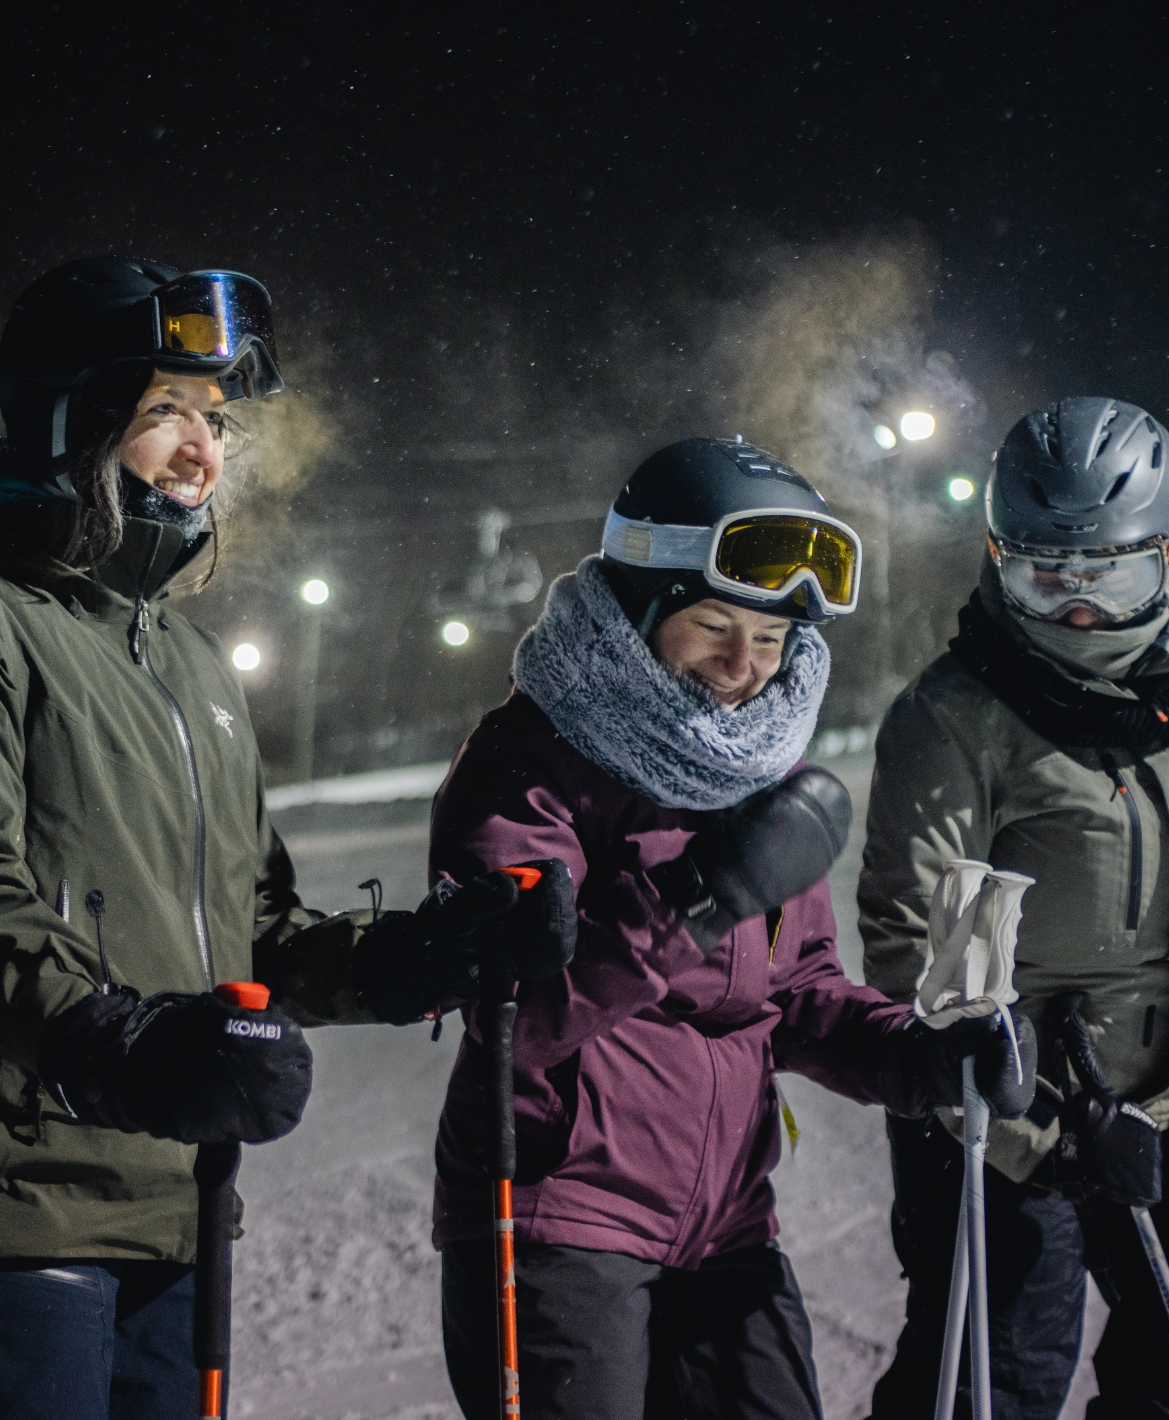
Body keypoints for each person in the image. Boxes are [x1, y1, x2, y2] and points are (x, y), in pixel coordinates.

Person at [0, 255, 571, 1420]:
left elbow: (257, 926)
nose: (203, 450)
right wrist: (116, 1037)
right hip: (16, 1198)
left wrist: (404, 957)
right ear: (70, 423)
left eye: (215, 419)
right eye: (163, 414)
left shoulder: (187, 662)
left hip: (182, 1193)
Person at [428, 437, 1034, 1420]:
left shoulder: (753, 777)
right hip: (557, 1215)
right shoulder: (529, 760)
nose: (741, 667)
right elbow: (521, 1010)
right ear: (640, 612)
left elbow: (794, 995)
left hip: (726, 1225)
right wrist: (699, 896)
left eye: (770, 641)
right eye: (712, 626)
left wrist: (915, 1056)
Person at [861, 398, 1169, 1419]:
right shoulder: (954, 720)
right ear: (998, 556)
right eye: (1044, 574)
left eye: (1107, 574)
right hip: (1006, 1120)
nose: (1075, 608)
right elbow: (920, 958)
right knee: (1000, 1375)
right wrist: (1050, 1134)